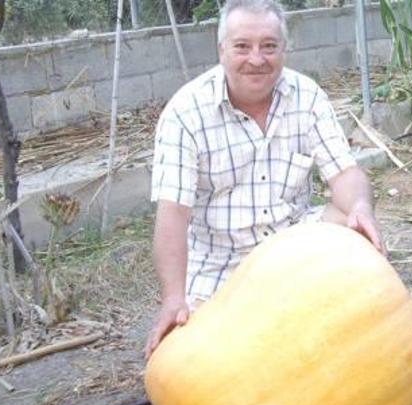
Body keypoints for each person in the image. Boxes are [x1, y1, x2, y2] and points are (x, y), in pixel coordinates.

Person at [144, 0, 385, 359]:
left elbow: (345, 173)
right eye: (243, 46)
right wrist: (173, 300)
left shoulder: (308, 96)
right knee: (199, 362)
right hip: (220, 260)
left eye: (269, 46)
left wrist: (362, 208)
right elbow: (173, 216)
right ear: (221, 49)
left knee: (351, 222)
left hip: (293, 242)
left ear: (284, 50)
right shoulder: (184, 114)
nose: (257, 59)